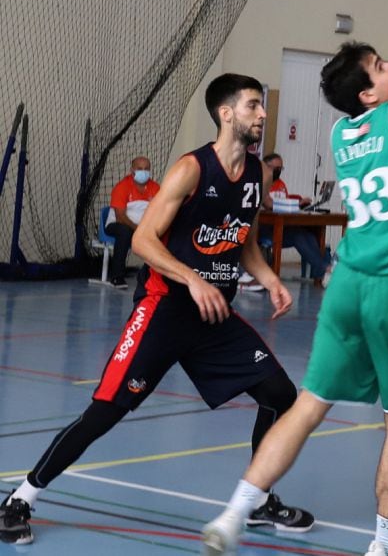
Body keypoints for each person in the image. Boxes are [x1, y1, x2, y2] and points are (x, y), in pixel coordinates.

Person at [0, 75, 312, 546]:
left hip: (212, 317)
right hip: (164, 309)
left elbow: (241, 239)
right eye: (253, 106)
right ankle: (21, 498)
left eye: (262, 106)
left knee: (281, 395)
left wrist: (269, 279)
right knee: (105, 412)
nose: (262, 115)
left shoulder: (255, 174)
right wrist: (192, 277)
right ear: (226, 113)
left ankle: (257, 502)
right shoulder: (191, 169)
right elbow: (144, 240)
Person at [202, 44, 388, 556]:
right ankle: (382, 547)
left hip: (346, 281)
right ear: (369, 92)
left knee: (307, 406)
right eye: (381, 66)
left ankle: (234, 514)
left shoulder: (342, 133)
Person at [259, 152, 331, 282]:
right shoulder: (260, 181)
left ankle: (322, 271)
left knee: (307, 234)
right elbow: (269, 204)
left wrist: (299, 205)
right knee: (297, 235)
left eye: (281, 169)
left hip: (278, 225)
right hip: (262, 228)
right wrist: (296, 203)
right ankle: (326, 269)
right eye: (276, 169)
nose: (278, 171)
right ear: (265, 166)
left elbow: (282, 203)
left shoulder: (280, 184)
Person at [104, 156, 160, 288]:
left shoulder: (155, 188)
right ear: (132, 170)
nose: (143, 171)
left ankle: (156, 276)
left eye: (147, 169)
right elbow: (120, 217)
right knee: (124, 231)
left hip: (142, 227)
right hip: (118, 225)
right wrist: (138, 229)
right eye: (140, 169)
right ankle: (117, 277)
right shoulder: (122, 187)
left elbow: (159, 212)